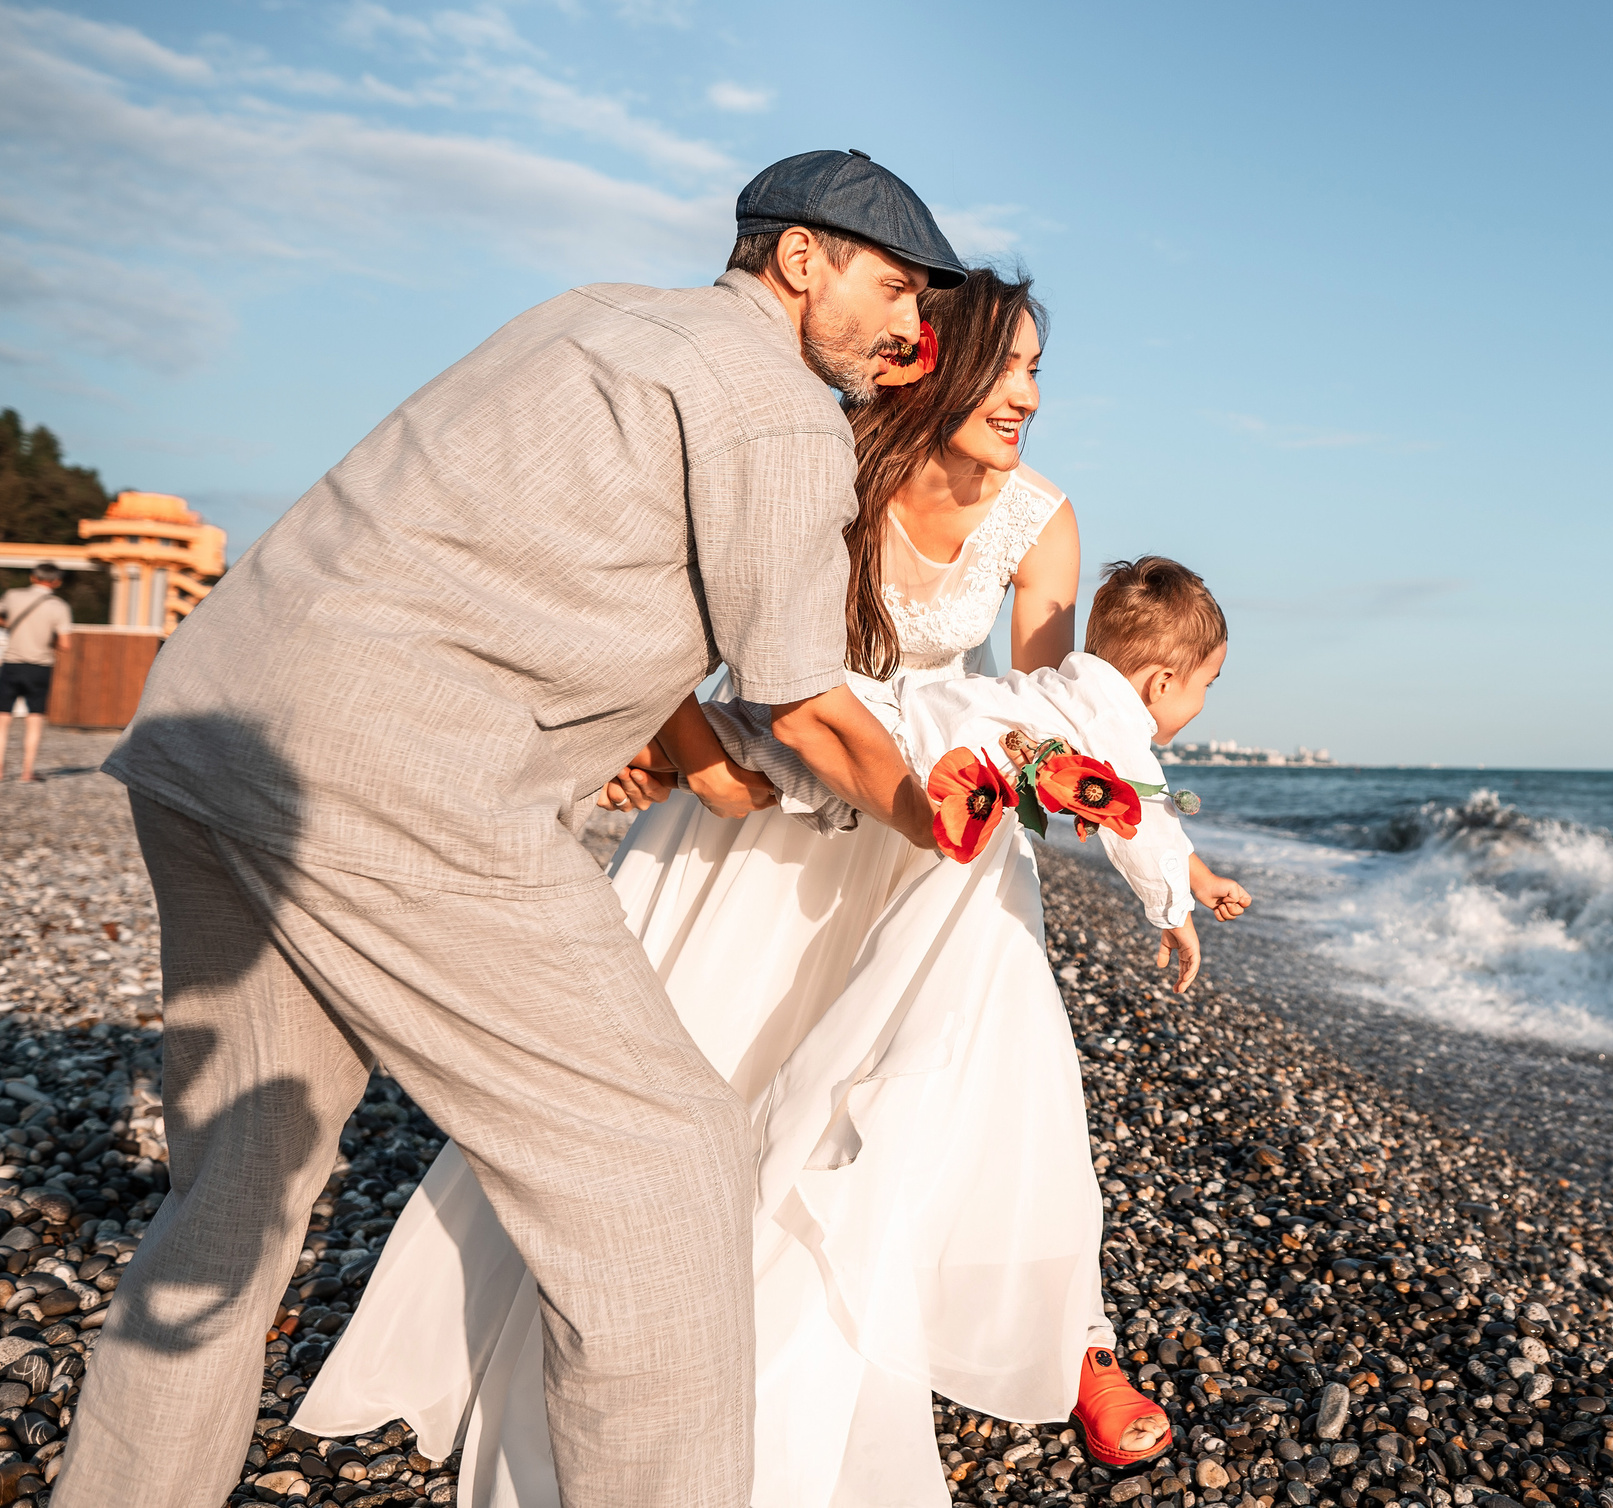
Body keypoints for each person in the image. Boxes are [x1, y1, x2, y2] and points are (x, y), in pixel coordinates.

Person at [58, 150, 966, 1508]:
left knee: (233, 1205)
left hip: (209, 735)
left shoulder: (583, 315)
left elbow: (617, 655)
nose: (911, 329)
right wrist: (937, 808)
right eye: (893, 286)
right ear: (797, 259)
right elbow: (802, 700)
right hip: (396, 784)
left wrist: (676, 759)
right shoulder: (777, 408)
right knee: (665, 1169)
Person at [304, 555, 1249, 1508]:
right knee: (908, 1068)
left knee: (775, 766)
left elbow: (1104, 786)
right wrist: (1181, 899)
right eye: (1204, 690)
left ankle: (1052, 1327)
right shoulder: (1115, 717)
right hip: (891, 762)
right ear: (1162, 681)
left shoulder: (1057, 665)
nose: (1196, 708)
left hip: (893, 741)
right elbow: (1136, 810)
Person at [1, 562, 72, 783]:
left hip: (12, 663)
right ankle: (26, 772)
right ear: (57, 582)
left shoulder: (12, 595)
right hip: (40, 667)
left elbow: (2, 618)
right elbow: (65, 644)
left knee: (2, 720)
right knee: (34, 719)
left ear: (33, 577)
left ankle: (0, 771)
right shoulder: (59, 607)